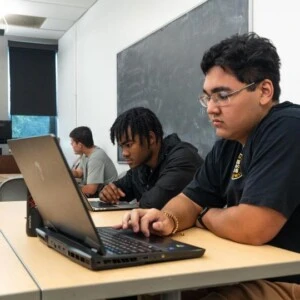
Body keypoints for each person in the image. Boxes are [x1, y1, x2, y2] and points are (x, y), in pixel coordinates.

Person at [118, 33, 300, 300]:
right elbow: (188, 200)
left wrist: (203, 215)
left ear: (264, 91)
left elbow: (252, 226)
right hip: (249, 268)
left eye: (222, 96)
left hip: (288, 279)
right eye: (207, 98)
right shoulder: (230, 142)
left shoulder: (287, 127)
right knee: (146, 288)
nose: (211, 109)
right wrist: (167, 219)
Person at [99, 107, 203, 209]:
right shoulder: (142, 165)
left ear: (150, 138)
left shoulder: (183, 158)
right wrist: (107, 192)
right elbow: (119, 190)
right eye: (122, 147)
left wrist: (141, 203)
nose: (124, 153)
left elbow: (154, 203)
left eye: (129, 145)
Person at [70, 126, 118, 197]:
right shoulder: (86, 154)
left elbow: (90, 190)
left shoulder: (96, 158)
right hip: (98, 195)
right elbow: (78, 173)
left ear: (80, 145)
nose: (71, 144)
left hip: (107, 198)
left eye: (72, 142)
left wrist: (69, 190)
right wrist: (64, 171)